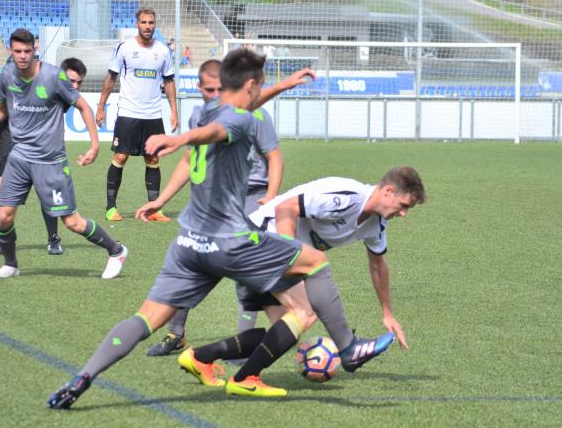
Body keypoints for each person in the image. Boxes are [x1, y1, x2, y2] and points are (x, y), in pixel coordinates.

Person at [47, 49, 391, 409]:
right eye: (258, 88)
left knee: (144, 318)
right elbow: (221, 130)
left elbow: (225, 116)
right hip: (229, 241)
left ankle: (81, 378)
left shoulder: (202, 110)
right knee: (316, 262)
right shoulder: (241, 121)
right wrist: (179, 140)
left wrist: (284, 85)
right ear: (250, 85)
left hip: (188, 243)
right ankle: (349, 349)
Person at [176, 167, 426, 390]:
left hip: (270, 250)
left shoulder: (377, 225)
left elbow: (378, 264)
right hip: (260, 237)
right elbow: (286, 208)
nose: (403, 214)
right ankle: (245, 378)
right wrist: (288, 253)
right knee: (305, 312)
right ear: (389, 191)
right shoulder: (347, 197)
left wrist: (387, 312)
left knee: (285, 330)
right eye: (404, 205)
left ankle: (200, 358)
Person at [146, 59, 284, 357]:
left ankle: (251, 341)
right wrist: (161, 200)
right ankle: (176, 334)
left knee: (251, 276)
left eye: (218, 89)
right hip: (216, 202)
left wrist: (270, 196)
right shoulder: (205, 118)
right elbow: (187, 160)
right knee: (193, 261)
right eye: (208, 90)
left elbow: (274, 157)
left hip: (252, 199)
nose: (213, 95)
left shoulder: (255, 115)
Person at [0, 28, 128, 280]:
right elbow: (1, 111)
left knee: (72, 222)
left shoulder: (54, 77)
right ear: (11, 51)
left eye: (27, 51)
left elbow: (83, 106)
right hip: (19, 157)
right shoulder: (5, 75)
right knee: (4, 216)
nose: (22, 56)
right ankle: (11, 264)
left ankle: (116, 250)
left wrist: (94, 145)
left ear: (35, 50)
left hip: (50, 161)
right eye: (17, 51)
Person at [0, 57, 89, 256]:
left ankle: (53, 238)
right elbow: (0, 108)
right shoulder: (7, 79)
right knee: (0, 186)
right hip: (7, 134)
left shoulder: (50, 83)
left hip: (39, 142)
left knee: (45, 188)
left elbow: (73, 104)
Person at [96, 7, 177, 223]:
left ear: (155, 24)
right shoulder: (124, 48)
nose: (147, 26)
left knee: (153, 158)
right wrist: (101, 107)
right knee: (121, 156)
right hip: (128, 113)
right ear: (137, 24)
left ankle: (154, 209)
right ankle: (111, 208)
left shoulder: (164, 50)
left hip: (153, 115)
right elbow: (111, 78)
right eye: (144, 22)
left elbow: (169, 81)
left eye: (151, 22)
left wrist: (174, 111)